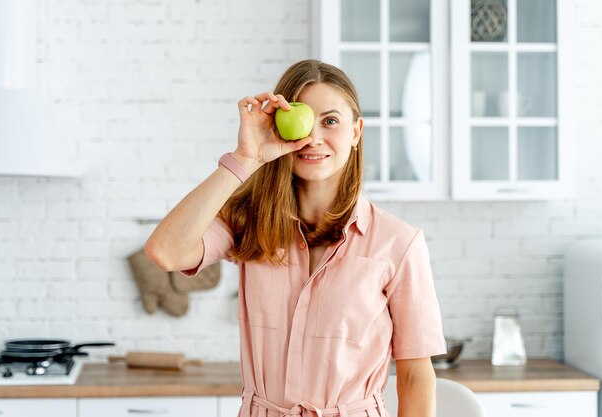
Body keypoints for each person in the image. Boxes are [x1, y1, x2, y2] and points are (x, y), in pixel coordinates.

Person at [144, 59, 446, 417]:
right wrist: (245, 158)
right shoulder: (250, 221)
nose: (313, 138)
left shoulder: (398, 243)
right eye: (304, 119)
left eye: (331, 121)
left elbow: (414, 377)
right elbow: (165, 252)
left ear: (356, 131)